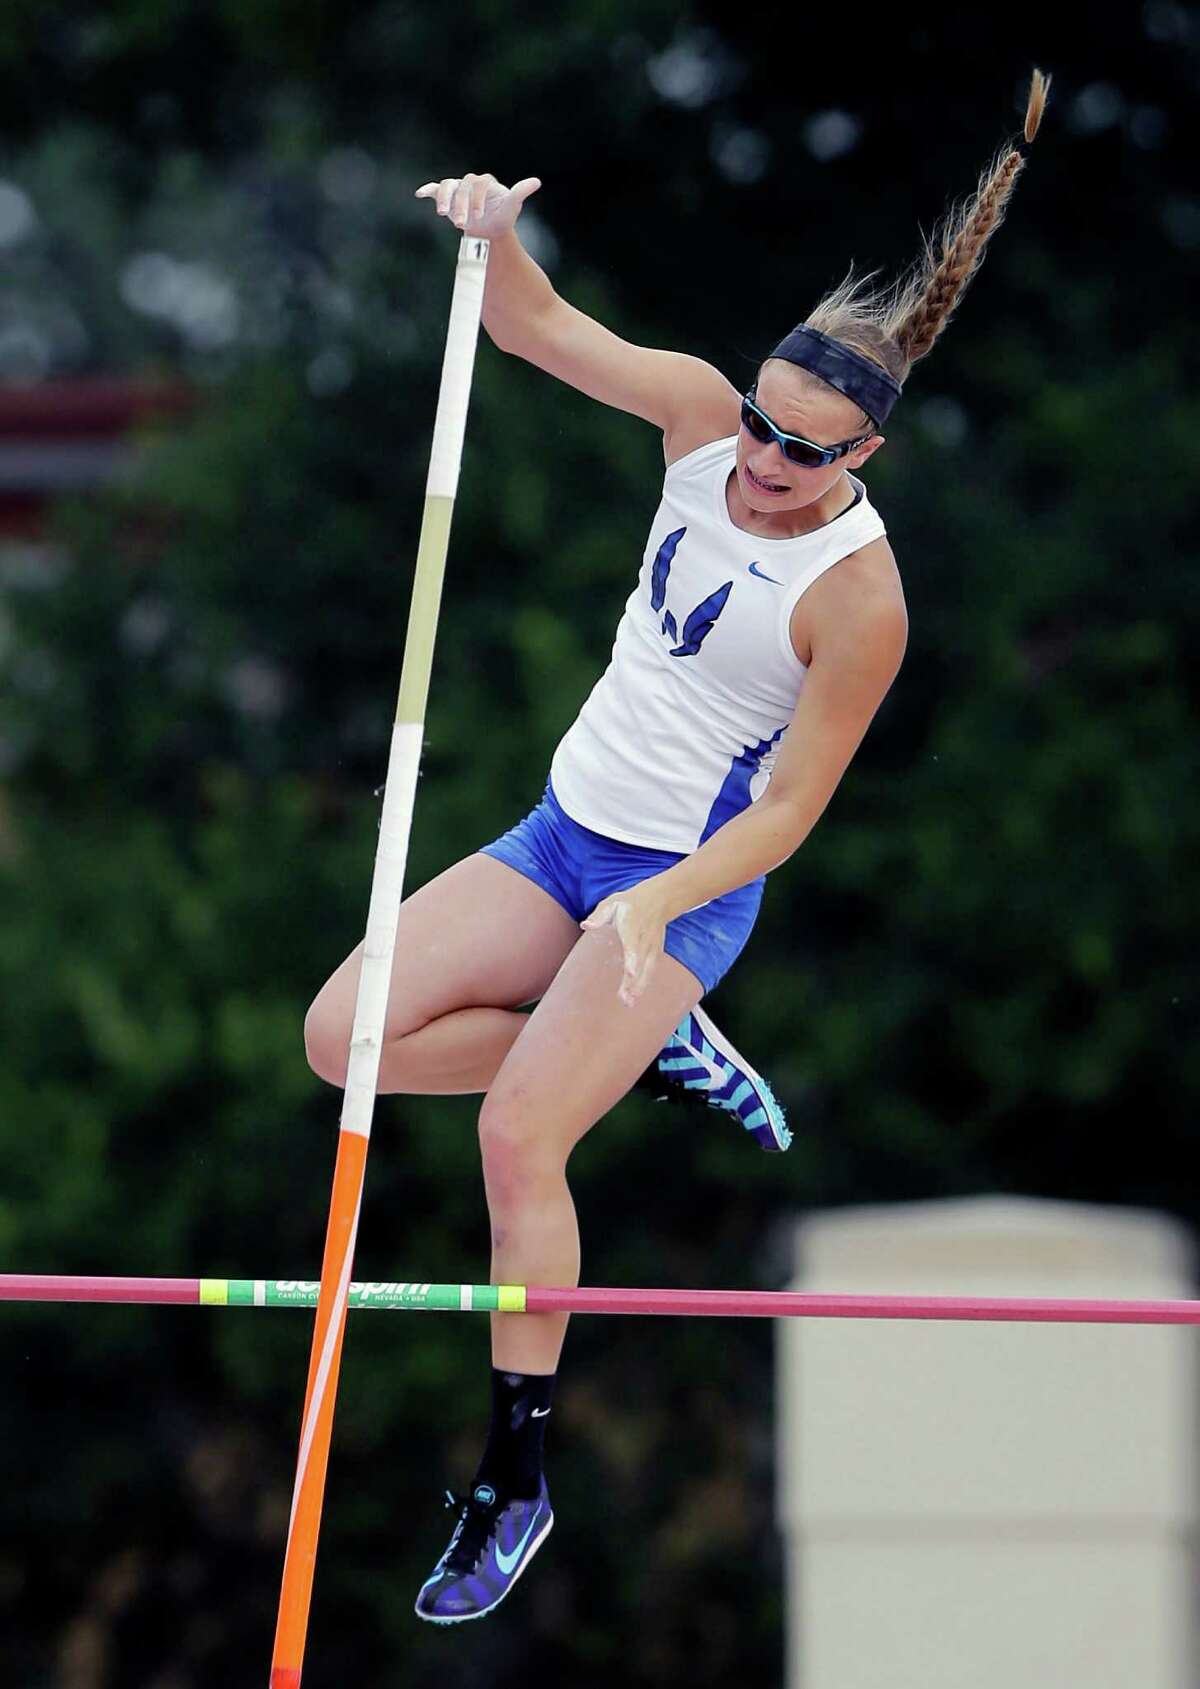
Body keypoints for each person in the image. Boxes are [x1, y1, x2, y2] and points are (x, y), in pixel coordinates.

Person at [303, 68, 1049, 1626]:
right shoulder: (704, 421)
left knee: (518, 1134)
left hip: (679, 896)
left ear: (867, 463)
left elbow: (785, 815)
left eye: (809, 456)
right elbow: (533, 328)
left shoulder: (860, 601)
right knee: (341, 1042)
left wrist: (655, 916)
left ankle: (515, 1474)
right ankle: (641, 1054)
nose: (768, 467)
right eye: (767, 431)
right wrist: (492, 233)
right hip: (560, 833)